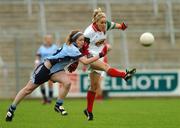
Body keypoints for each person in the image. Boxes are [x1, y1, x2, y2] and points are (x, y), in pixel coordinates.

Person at [5, 30, 108, 122]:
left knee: (67, 83)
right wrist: (100, 55)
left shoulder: (75, 48)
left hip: (57, 71)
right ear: (74, 40)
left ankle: (58, 105)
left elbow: (84, 53)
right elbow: (85, 61)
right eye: (80, 40)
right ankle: (11, 109)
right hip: (45, 69)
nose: (82, 42)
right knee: (28, 89)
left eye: (83, 40)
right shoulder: (72, 48)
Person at [68, 8, 136, 121]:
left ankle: (88, 111)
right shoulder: (88, 33)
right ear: (95, 22)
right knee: (105, 67)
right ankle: (124, 75)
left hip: (99, 54)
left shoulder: (106, 25)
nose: (104, 25)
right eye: (102, 23)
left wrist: (122, 26)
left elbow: (116, 25)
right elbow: (80, 48)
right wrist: (76, 62)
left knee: (94, 86)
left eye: (105, 22)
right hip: (89, 55)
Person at [35, 34, 58, 104]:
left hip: (51, 67)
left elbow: (57, 55)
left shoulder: (55, 47)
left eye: (50, 38)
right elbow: (38, 56)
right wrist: (36, 62)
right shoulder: (41, 48)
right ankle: (44, 98)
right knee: (41, 83)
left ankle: (49, 99)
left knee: (50, 83)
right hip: (43, 67)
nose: (49, 40)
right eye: (47, 39)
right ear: (45, 40)